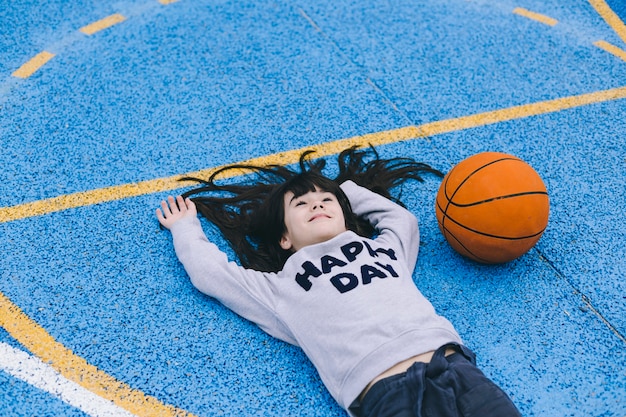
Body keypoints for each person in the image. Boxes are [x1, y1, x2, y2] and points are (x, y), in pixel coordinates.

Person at [156, 147, 521, 417]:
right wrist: (185, 227)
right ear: (284, 239)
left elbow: (402, 220)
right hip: (386, 392)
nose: (316, 205)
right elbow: (212, 274)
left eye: (327, 199)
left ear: (346, 216)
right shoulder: (281, 286)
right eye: (300, 204)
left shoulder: (384, 250)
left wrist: (346, 190)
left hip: (456, 366)